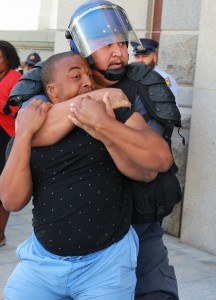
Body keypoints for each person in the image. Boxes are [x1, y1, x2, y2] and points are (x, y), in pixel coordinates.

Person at [1, 1, 179, 299]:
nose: (118, 53)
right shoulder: (50, 79)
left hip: (138, 224)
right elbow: (30, 129)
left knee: (156, 292)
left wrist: (103, 121)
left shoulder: (144, 84)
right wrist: (92, 102)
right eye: (105, 44)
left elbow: (152, 161)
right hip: (58, 243)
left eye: (122, 43)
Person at [0, 40, 21, 247]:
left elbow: (15, 109)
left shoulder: (16, 78)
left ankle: (0, 235)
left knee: (1, 188)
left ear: (8, 59)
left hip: (6, 135)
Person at [131, 38, 180, 106]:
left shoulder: (164, 79)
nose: (140, 60)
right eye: (137, 57)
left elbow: (171, 108)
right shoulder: (132, 77)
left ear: (154, 57)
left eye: (145, 56)